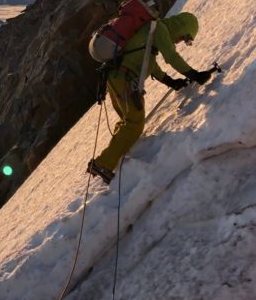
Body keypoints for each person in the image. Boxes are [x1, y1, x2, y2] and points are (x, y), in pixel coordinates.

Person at [88, 11, 214, 185]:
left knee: (128, 120)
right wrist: (194, 74)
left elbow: (148, 61)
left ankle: (115, 154)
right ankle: (103, 164)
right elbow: (171, 56)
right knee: (134, 124)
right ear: (181, 28)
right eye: (184, 37)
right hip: (125, 81)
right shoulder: (159, 29)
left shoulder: (149, 30)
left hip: (115, 78)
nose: (179, 41)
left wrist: (170, 81)